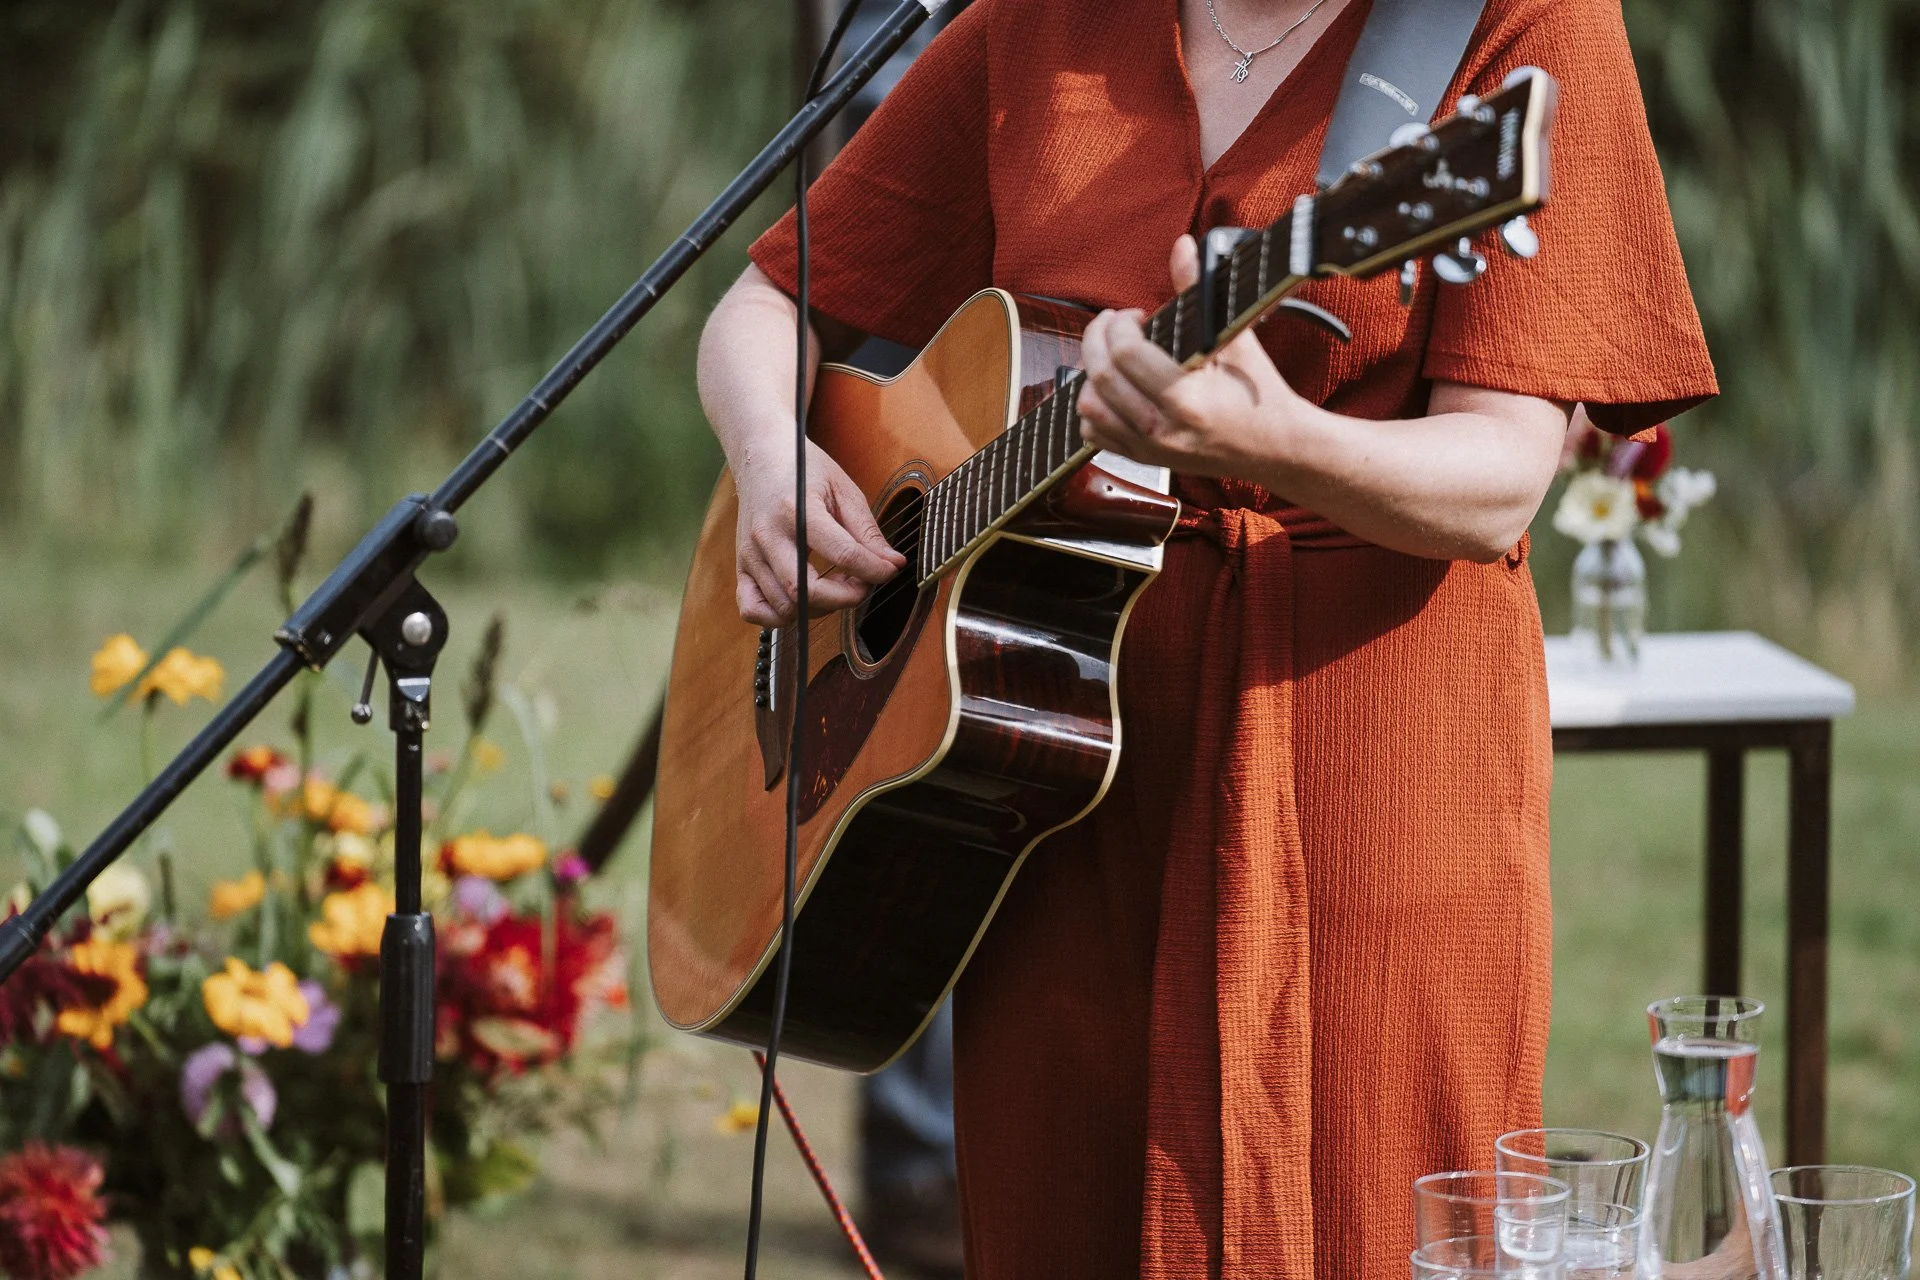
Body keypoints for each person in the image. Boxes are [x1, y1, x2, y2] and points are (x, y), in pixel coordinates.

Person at [695, 0, 1716, 1275]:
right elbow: (762, 306)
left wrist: (1271, 441)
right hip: (1051, 783)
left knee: (1371, 1218)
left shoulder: (1512, 21)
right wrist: (773, 462)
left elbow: (1501, 480)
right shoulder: (1038, 26)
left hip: (1372, 771)